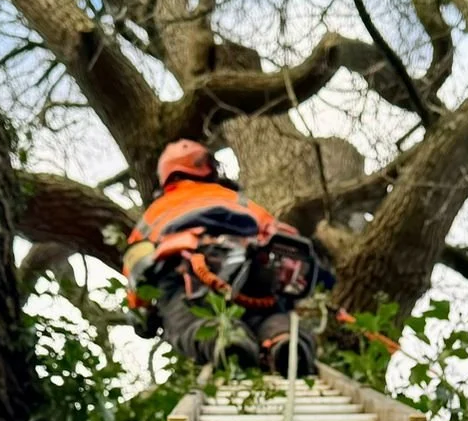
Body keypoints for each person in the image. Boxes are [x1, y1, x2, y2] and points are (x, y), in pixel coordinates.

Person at [122, 141, 329, 373]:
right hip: (248, 267)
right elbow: (282, 234)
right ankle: (285, 341)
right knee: (268, 315)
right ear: (205, 167)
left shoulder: (154, 214)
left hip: (183, 277)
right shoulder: (237, 199)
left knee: (189, 322)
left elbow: (135, 265)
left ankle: (228, 340)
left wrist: (140, 309)